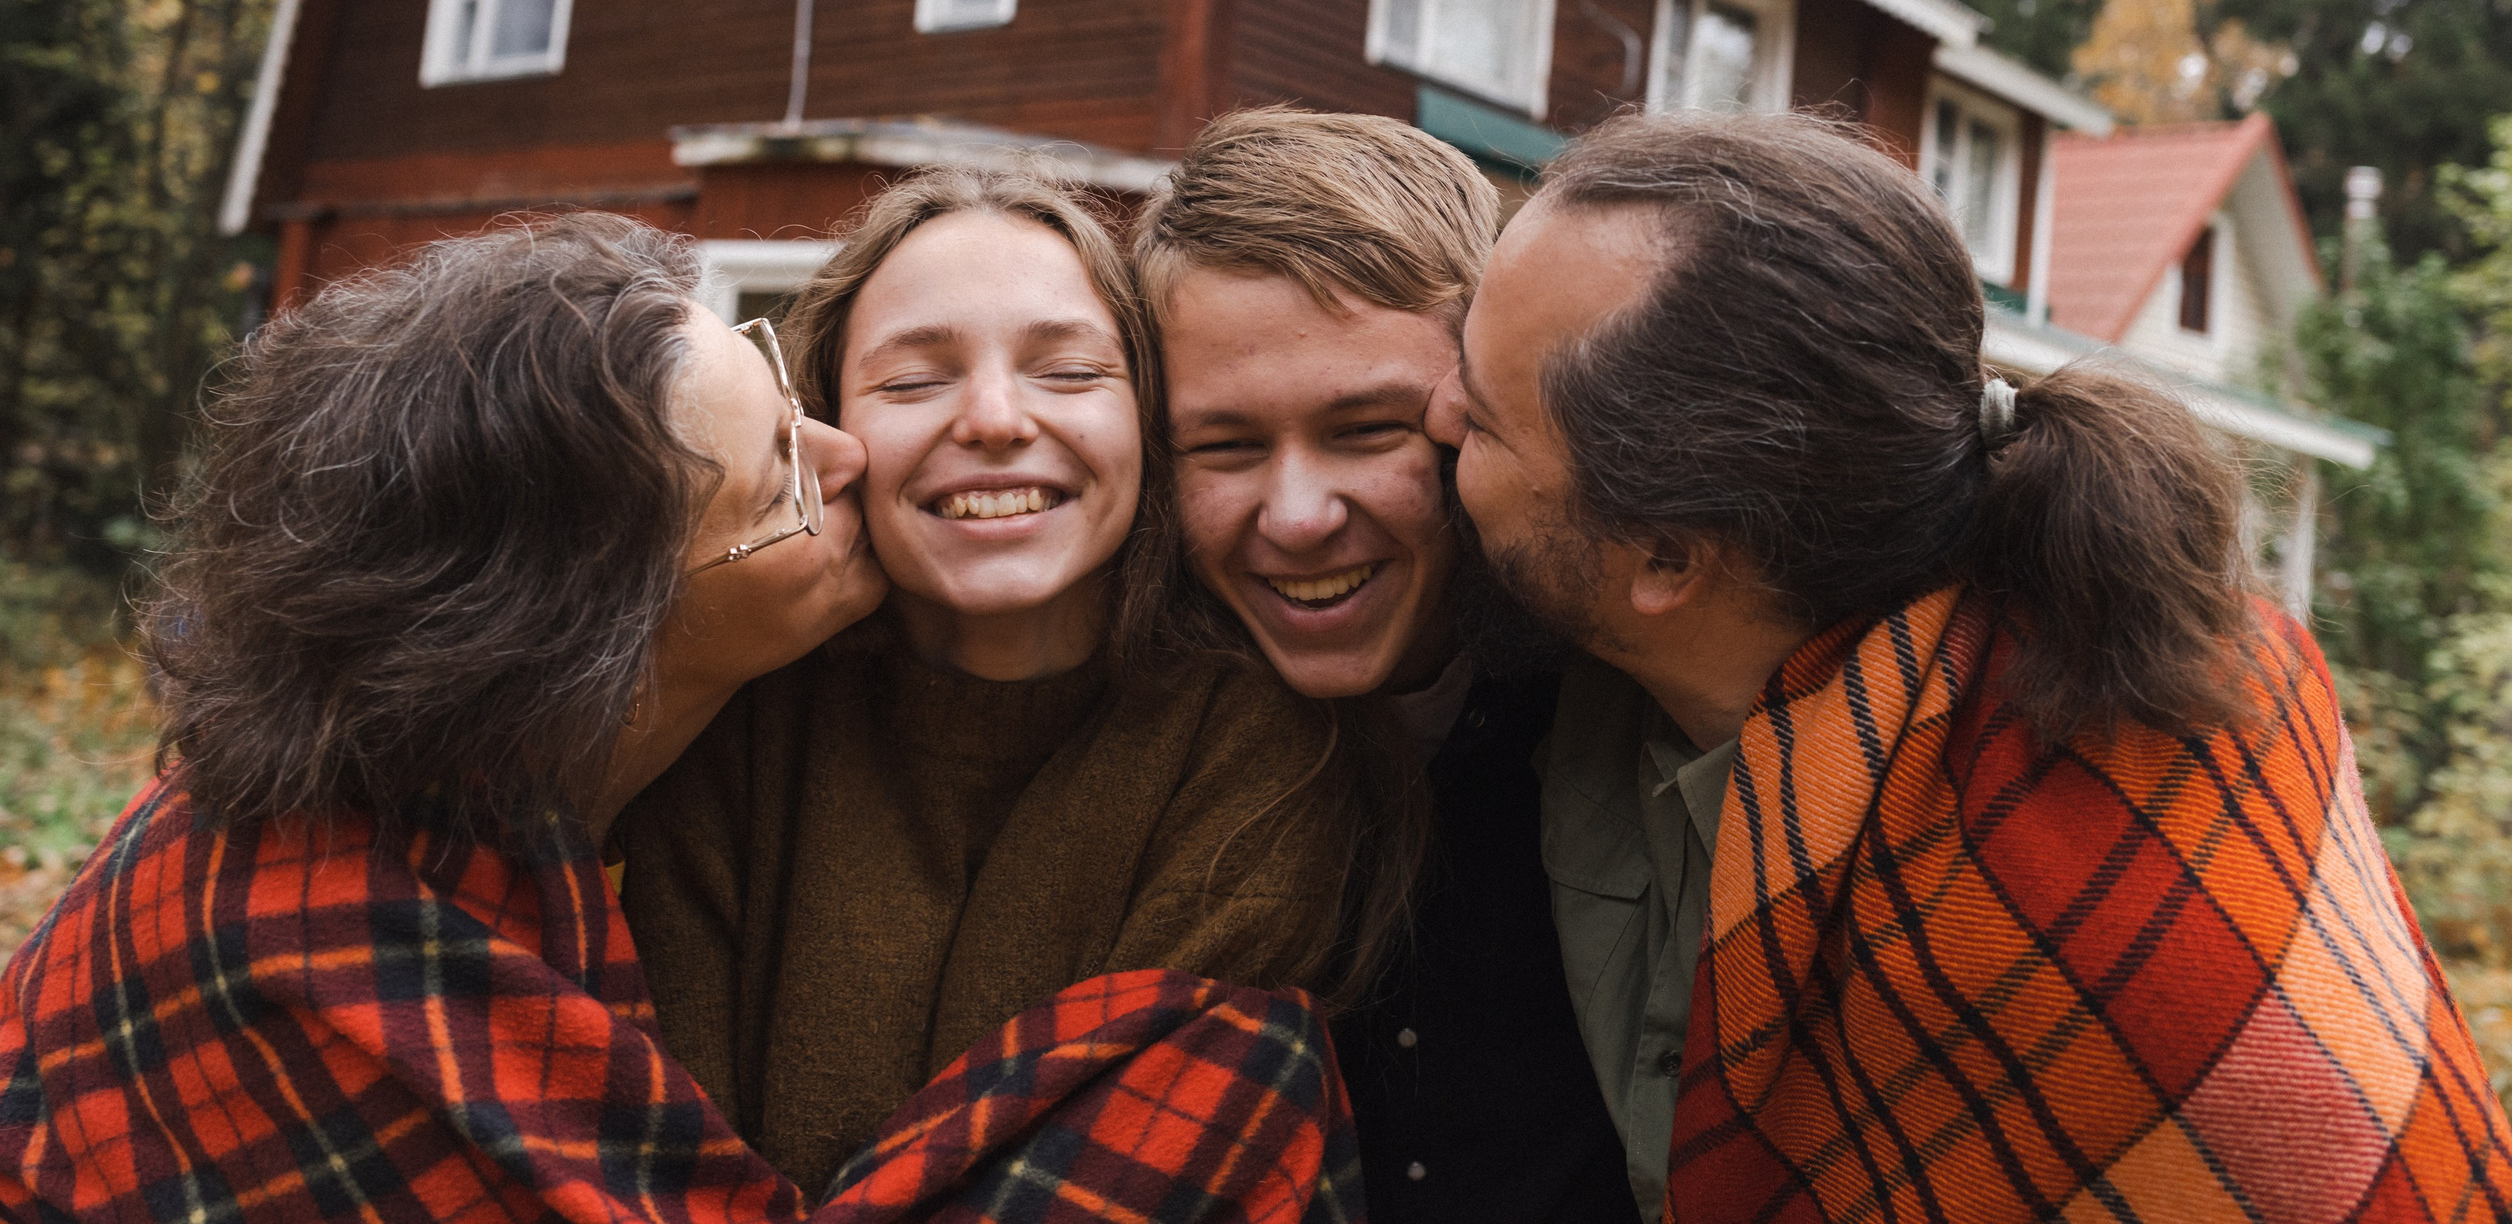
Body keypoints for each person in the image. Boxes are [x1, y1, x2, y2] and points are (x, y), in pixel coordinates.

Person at [0, 214, 1359, 1224]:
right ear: (596, 634)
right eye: (781, 478)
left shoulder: (519, 788)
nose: (849, 453)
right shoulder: (313, 927)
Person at [1427, 110, 2512, 1223]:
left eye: (1488, 419)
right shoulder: (1658, 684)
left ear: (1664, 556)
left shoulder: (2073, 939)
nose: (1433, 412)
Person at [617, 168, 1357, 1199]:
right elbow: (654, 1165)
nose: (997, 419)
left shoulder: (1258, 750)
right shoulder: (739, 706)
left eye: (1067, 372)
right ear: (827, 432)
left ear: (1148, 420)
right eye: (913, 383)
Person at [1134, 107, 1638, 1224]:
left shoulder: (1646, 707)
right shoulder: (1130, 750)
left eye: (1366, 429)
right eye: (1223, 446)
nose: (1300, 516)